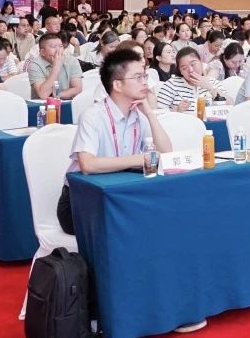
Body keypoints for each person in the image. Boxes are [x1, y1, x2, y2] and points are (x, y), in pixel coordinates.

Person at [58, 48, 173, 236]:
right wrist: (139, 159)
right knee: (135, 223)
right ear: (118, 85)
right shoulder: (93, 116)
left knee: (162, 215)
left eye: (144, 76)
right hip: (81, 199)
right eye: (138, 78)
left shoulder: (139, 114)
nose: (145, 83)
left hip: (121, 192)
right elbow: (87, 164)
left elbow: (166, 153)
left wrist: (150, 114)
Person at [156, 47, 220, 112]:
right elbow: (158, 113)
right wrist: (176, 110)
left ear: (201, 62)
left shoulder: (212, 82)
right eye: (184, 68)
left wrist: (211, 88)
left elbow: (227, 105)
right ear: (180, 71)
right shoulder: (171, 85)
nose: (190, 70)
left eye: (193, 64)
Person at [27, 32, 83, 100]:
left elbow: (77, 88)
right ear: (42, 52)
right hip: (42, 105)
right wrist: (56, 67)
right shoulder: (34, 65)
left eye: (60, 46)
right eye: (53, 47)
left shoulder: (72, 60)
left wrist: (57, 95)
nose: (58, 50)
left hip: (67, 102)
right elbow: (43, 95)